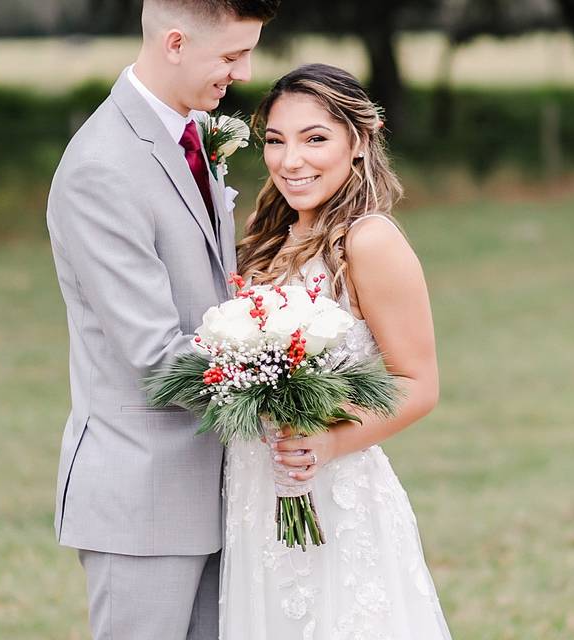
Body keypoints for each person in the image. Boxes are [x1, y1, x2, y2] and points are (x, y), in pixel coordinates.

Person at [45, 1, 279, 638]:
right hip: (142, 496)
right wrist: (285, 381)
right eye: (231, 55)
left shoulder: (189, 134)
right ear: (175, 42)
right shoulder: (102, 167)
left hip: (218, 487)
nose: (244, 70)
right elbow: (155, 355)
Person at [223, 63, 452, 639]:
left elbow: (418, 383)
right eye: (275, 141)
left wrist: (329, 443)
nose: (290, 160)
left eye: (314, 138)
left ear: (358, 142)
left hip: (335, 489)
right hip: (255, 486)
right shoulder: (265, 234)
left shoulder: (369, 240)